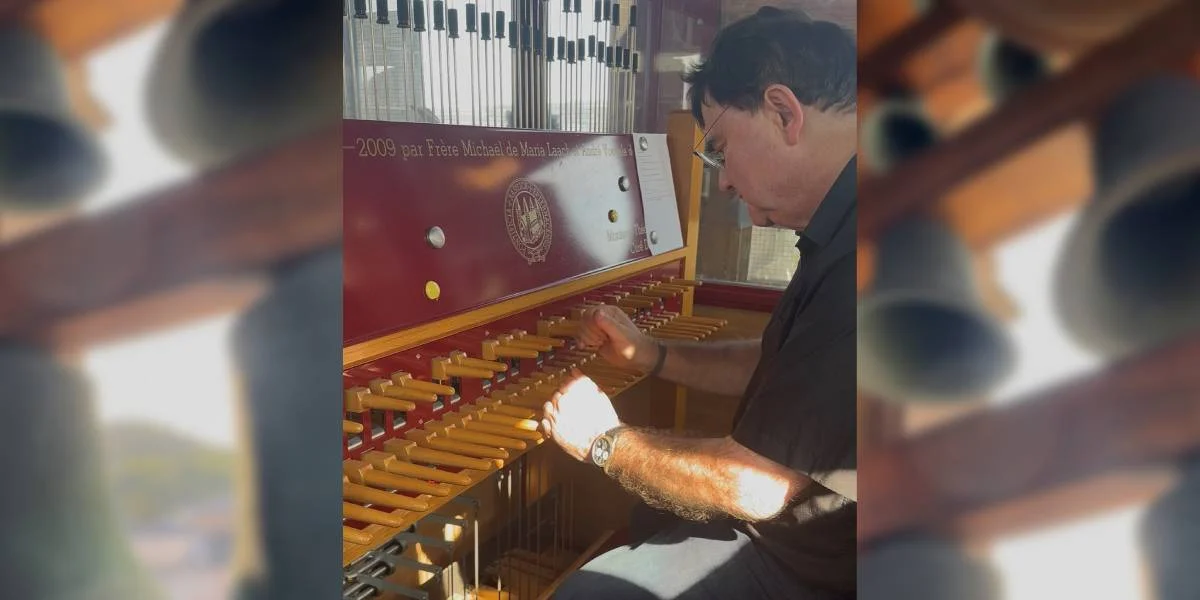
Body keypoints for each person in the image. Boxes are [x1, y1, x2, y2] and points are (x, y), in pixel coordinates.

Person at [540, 6, 858, 600]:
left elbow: (757, 486)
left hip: (826, 567)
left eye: (718, 147)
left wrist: (603, 441)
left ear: (784, 113)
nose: (724, 181)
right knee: (651, 525)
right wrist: (653, 355)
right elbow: (782, 373)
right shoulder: (848, 224)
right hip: (820, 538)